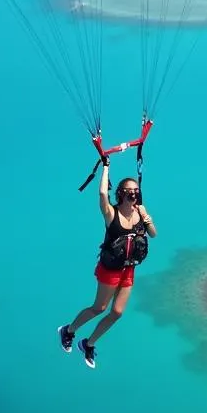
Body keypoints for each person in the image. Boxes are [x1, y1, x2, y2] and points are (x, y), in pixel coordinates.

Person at [58, 157, 157, 368]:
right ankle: (68, 330)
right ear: (121, 193)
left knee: (118, 312)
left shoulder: (141, 211)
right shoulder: (111, 213)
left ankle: (89, 344)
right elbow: (103, 194)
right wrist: (106, 167)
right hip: (110, 269)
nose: (134, 194)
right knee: (99, 308)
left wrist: (148, 220)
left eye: (136, 191)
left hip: (128, 268)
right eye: (129, 191)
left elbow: (154, 235)